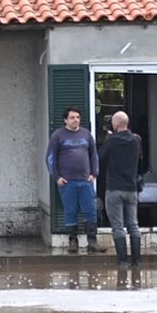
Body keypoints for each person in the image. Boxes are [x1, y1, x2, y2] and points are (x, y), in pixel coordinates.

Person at [46, 107, 107, 253]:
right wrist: (57, 177)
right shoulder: (58, 135)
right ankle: (73, 241)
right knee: (70, 211)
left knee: (90, 210)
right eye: (72, 117)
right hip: (67, 182)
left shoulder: (86, 134)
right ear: (65, 120)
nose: (76, 120)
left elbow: (94, 155)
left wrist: (94, 174)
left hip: (85, 181)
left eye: (78, 117)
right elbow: (50, 158)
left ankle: (92, 241)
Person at [99, 111, 141, 267]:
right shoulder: (136, 140)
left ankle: (122, 261)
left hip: (115, 188)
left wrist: (108, 139)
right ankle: (136, 262)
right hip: (131, 188)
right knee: (133, 225)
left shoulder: (111, 141)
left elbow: (101, 159)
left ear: (115, 124)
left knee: (118, 227)